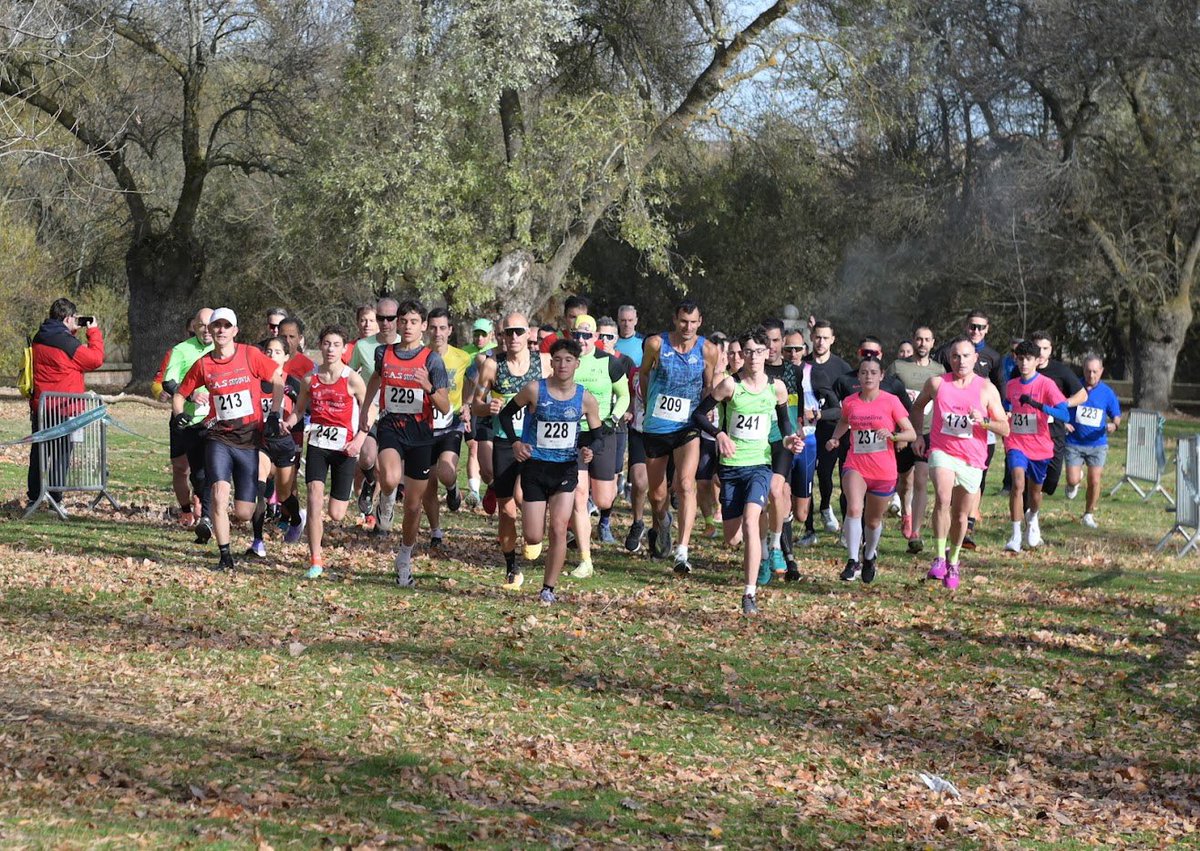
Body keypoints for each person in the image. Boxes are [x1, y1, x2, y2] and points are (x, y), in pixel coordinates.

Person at [691, 327, 802, 614]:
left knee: (752, 520)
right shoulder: (730, 385)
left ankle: (749, 593)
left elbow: (785, 427)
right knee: (733, 537)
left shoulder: (776, 388)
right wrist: (720, 434)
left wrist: (790, 441)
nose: (752, 357)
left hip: (759, 465)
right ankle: (757, 546)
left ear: (768, 353)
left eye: (757, 351)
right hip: (731, 468)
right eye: (747, 352)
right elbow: (698, 415)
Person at [173, 308, 284, 571]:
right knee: (220, 495)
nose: (221, 330)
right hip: (219, 438)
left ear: (235, 331)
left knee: (244, 513)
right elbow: (180, 394)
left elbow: (277, 380)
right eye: (216, 326)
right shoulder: (203, 364)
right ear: (210, 331)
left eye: (226, 326)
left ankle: (241, 526)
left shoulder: (250, 355)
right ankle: (225, 557)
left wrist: (275, 414)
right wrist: (179, 413)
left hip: (249, 440)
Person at [499, 339, 602, 604]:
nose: (563, 364)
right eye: (558, 359)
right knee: (534, 535)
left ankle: (548, 588)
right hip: (535, 467)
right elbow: (505, 415)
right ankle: (531, 546)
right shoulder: (535, 390)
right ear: (551, 362)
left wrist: (589, 449)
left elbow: (598, 435)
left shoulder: (585, 398)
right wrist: (515, 442)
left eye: (568, 360)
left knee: (558, 527)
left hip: (566, 470)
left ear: (577, 364)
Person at [360, 299, 450, 587]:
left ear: (423, 326)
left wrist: (429, 387)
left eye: (414, 322)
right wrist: (365, 409)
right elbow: (376, 377)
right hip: (391, 426)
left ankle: (405, 557)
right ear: (397, 324)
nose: (408, 327)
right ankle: (386, 499)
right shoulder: (383, 353)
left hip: (421, 435)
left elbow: (445, 406)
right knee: (389, 477)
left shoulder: (432, 360)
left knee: (413, 506)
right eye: (403, 321)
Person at [909, 338, 1009, 589]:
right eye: (955, 356)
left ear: (976, 359)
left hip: (972, 457)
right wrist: (919, 435)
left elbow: (1005, 428)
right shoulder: (937, 383)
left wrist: (983, 421)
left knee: (961, 514)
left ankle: (954, 560)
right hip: (943, 451)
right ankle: (940, 557)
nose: (960, 361)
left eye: (966, 356)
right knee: (943, 498)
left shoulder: (987, 389)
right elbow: (918, 407)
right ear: (949, 359)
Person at [639, 299, 721, 574]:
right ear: (675, 320)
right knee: (657, 494)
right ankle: (661, 522)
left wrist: (705, 410)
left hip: (688, 426)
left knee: (686, 485)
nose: (688, 327)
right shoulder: (656, 344)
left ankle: (682, 551)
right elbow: (644, 373)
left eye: (693, 322)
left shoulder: (708, 350)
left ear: (700, 322)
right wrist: (650, 402)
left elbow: (709, 385)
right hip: (657, 425)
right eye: (683, 321)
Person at [472, 313, 550, 587]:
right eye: (508, 332)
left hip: (535, 442)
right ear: (501, 336)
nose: (514, 337)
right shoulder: (493, 366)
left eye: (518, 331)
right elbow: (476, 405)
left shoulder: (543, 363)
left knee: (525, 497)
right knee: (506, 510)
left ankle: (533, 535)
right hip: (505, 441)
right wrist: (487, 408)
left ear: (529, 333)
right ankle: (511, 565)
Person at [286, 325, 369, 577]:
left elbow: (368, 412)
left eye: (336, 345)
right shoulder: (310, 379)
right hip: (318, 445)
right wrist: (288, 422)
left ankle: (364, 486)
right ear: (319, 346)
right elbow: (300, 410)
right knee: (314, 498)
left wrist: (359, 440)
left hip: (345, 448)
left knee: (336, 513)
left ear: (344, 349)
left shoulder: (352, 379)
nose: (330, 349)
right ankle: (316, 560)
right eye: (326, 344)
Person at [825, 357, 915, 583]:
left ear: (881, 376)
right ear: (858, 376)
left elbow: (911, 433)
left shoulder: (891, 401)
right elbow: (844, 422)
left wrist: (893, 435)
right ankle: (852, 560)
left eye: (873, 373)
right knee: (854, 508)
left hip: (884, 469)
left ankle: (869, 555)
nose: (868, 377)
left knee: (873, 521)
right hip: (856, 464)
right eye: (864, 372)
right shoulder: (850, 401)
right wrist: (835, 439)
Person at [566, 314, 630, 577]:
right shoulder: (566, 361)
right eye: (577, 335)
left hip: (602, 432)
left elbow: (624, 395)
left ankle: (587, 515)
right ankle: (585, 559)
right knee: (579, 494)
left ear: (595, 338)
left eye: (586, 335)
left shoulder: (610, 363)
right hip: (573, 435)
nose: (581, 340)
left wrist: (612, 419)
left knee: (604, 499)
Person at [27, 297, 106, 507]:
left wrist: (71, 331)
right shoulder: (67, 343)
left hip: (42, 406)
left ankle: (34, 496)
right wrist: (93, 332)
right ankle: (55, 498)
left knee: (40, 452)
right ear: (68, 317)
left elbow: (60, 359)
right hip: (64, 407)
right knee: (61, 453)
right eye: (74, 318)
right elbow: (95, 359)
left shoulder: (40, 337)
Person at [936, 311, 1004, 550]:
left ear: (987, 329)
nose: (976, 331)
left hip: (982, 425)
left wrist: (991, 417)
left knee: (977, 479)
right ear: (966, 327)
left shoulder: (993, 357)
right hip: (949, 431)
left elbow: (1000, 389)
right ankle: (954, 527)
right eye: (972, 326)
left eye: (980, 327)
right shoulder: (949, 351)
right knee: (946, 488)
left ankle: (969, 521)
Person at [1003, 340, 1069, 552]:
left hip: (1040, 446)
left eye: (1028, 359)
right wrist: (1004, 413)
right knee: (1017, 484)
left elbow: (1064, 413)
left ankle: (1032, 519)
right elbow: (1006, 405)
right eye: (1020, 359)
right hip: (1016, 443)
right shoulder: (1011, 385)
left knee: (1035, 493)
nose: (1024, 363)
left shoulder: (1046, 384)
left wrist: (1039, 406)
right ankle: (1015, 536)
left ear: (1037, 361)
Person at [246, 336, 304, 557]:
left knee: (284, 496)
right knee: (258, 488)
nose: (271, 356)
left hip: (285, 445)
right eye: (267, 352)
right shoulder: (254, 380)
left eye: (277, 352)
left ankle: (297, 520)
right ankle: (258, 541)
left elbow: (303, 412)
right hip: (260, 442)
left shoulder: (292, 382)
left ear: (286, 357)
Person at [159, 307, 213, 538]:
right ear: (194, 326)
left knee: (203, 471)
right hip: (184, 419)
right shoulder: (181, 350)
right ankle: (185, 509)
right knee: (181, 468)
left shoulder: (223, 349)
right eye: (201, 325)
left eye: (211, 324)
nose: (207, 330)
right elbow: (167, 382)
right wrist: (189, 395)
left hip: (210, 420)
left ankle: (205, 507)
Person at [887, 326, 942, 552]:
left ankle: (916, 533)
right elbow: (887, 396)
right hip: (901, 431)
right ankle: (906, 513)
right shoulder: (898, 367)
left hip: (928, 432)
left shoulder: (939, 370)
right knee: (904, 480)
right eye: (918, 339)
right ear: (913, 341)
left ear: (933, 342)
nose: (922, 343)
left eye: (927, 340)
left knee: (921, 479)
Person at [422, 307, 474, 547]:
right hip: (424, 424)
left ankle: (453, 489)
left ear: (450, 330)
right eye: (433, 327)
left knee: (445, 471)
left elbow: (473, 381)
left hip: (450, 422)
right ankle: (436, 531)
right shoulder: (419, 355)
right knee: (429, 482)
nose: (437, 333)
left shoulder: (462, 357)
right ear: (426, 328)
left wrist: (467, 404)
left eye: (442, 328)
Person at [349, 295, 401, 530]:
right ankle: (369, 484)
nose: (385, 322)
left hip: (399, 414)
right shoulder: (363, 346)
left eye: (391, 318)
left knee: (389, 471)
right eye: (381, 318)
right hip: (370, 410)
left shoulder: (406, 343)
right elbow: (349, 375)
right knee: (367, 458)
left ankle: (384, 512)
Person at [760, 318, 801, 580]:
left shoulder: (793, 371)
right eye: (766, 341)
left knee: (780, 491)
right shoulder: (753, 367)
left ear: (783, 341)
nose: (771, 346)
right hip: (756, 441)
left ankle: (781, 551)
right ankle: (766, 552)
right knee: (764, 499)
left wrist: (797, 433)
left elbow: (797, 409)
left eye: (776, 340)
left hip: (784, 440)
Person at [805, 320, 851, 537]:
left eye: (825, 338)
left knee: (828, 474)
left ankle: (825, 506)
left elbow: (848, 405)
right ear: (812, 337)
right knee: (810, 475)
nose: (821, 341)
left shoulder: (842, 368)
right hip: (805, 428)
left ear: (832, 340)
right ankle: (811, 523)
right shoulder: (803, 365)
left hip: (833, 429)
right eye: (817, 337)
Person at [1030, 330, 1088, 499]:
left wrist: (1062, 405)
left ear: (1051, 350)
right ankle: (1030, 515)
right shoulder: (1022, 369)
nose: (1040, 353)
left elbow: (1082, 395)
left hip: (1054, 431)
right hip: (1030, 432)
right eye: (1036, 348)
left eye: (1045, 348)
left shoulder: (1060, 370)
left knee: (1050, 483)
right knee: (1029, 480)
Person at [1065, 355, 1121, 528]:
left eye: (1095, 372)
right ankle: (1074, 482)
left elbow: (1116, 416)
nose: (1091, 375)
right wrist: (1064, 423)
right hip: (1074, 442)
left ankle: (1088, 514)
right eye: (1088, 371)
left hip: (1097, 444)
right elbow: (1061, 406)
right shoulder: (1074, 386)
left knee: (1095, 480)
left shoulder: (1107, 393)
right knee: (1073, 480)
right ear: (1083, 370)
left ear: (1101, 371)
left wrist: (1114, 425)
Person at [784, 330, 820, 557]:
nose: (793, 353)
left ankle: (797, 528)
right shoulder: (773, 374)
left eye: (798, 349)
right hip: (781, 440)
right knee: (779, 493)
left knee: (802, 513)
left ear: (805, 350)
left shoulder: (812, 373)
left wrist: (815, 413)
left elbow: (834, 405)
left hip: (808, 440)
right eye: (789, 349)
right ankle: (779, 545)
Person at [463, 318, 495, 510]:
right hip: (471, 405)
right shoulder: (464, 353)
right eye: (477, 334)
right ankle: (474, 490)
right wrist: (465, 405)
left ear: (491, 335)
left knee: (490, 453)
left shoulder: (496, 352)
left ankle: (492, 486)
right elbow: (465, 380)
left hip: (490, 407)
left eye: (483, 334)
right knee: (473, 447)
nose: (480, 338)